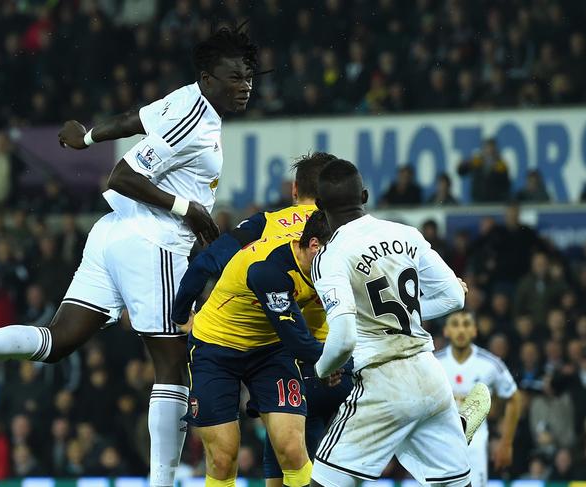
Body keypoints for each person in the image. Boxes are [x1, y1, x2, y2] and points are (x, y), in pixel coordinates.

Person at [0, 27, 258, 487]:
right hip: (153, 241)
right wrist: (189, 209)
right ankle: (162, 484)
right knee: (173, 366)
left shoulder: (186, 99)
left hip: (110, 235)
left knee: (57, 342)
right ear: (208, 78)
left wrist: (86, 136)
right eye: (234, 77)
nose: (244, 85)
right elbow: (121, 175)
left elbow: (134, 119)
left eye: (247, 77)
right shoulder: (196, 116)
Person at [171, 152, 353, 487]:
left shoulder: (266, 223)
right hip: (229, 348)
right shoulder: (342, 236)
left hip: (280, 350)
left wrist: (181, 314)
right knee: (290, 450)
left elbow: (204, 264)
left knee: (232, 457)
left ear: (296, 189)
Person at [309, 159, 490, 487]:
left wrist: (322, 370)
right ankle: (455, 426)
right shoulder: (405, 233)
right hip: (431, 377)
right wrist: (410, 315)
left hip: (382, 382)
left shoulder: (330, 256)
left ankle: (451, 427)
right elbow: (454, 297)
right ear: (364, 195)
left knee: (322, 482)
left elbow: (344, 336)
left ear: (319, 207)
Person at [436, 311, 522, 487]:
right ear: (446, 331)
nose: (461, 330)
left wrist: (506, 443)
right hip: (439, 444)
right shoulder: (434, 363)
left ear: (474, 331)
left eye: (466, 324)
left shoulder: (490, 364)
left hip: (474, 446)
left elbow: (514, 397)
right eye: (455, 324)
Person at [457, 138, 510, 203]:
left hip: (494, 202)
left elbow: (506, 186)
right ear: (483, 149)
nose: (490, 151)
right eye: (487, 148)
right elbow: (461, 172)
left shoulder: (501, 166)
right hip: (477, 201)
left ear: (495, 150)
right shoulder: (476, 162)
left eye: (492, 148)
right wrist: (464, 164)